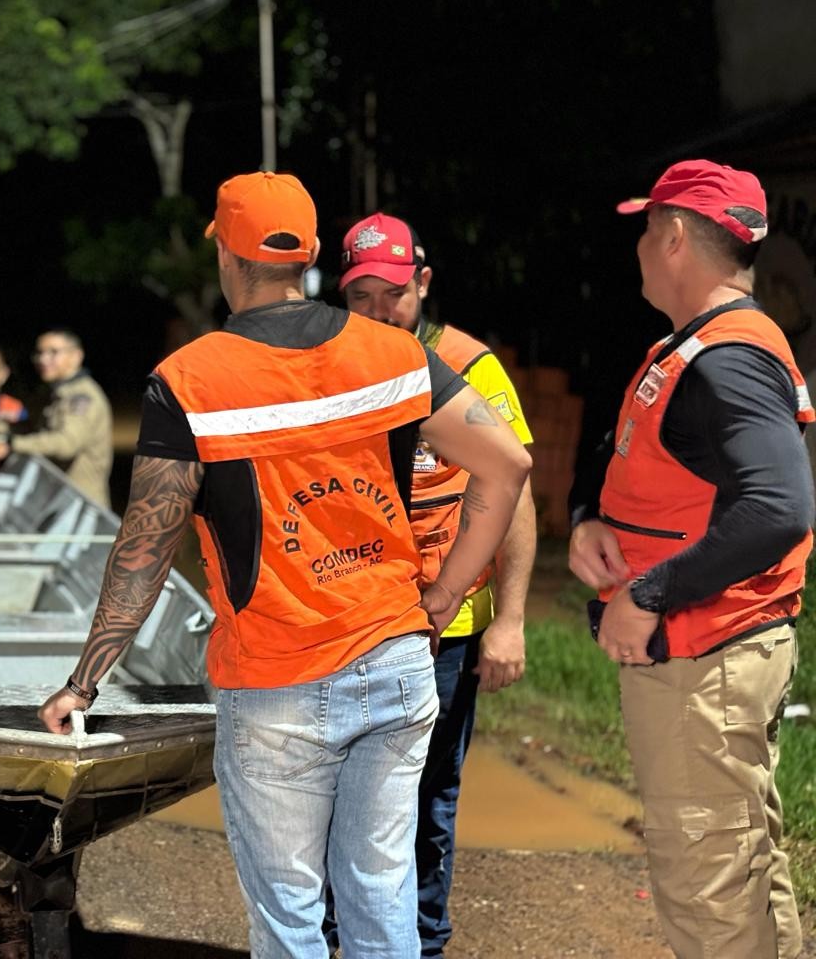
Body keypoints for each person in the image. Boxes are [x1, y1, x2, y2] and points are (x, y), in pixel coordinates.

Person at [37, 171, 531, 957]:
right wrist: (439, 597)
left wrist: (84, 681)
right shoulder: (394, 354)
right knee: (380, 891)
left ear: (230, 257)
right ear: (306, 257)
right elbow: (506, 467)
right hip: (398, 660)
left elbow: (144, 546)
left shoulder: (189, 381)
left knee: (291, 915)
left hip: (276, 684)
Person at [568, 159, 813, 959]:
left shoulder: (728, 358)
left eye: (646, 228)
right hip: (710, 664)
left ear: (674, 235)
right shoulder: (695, 348)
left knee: (709, 890)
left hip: (706, 665)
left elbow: (780, 506)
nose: (639, 245)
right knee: (740, 865)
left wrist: (651, 592)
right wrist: (587, 519)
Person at [338, 212, 536, 956]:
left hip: (442, 632)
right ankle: (342, 932)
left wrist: (509, 620)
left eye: (391, 293)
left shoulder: (468, 367)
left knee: (426, 800)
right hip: (351, 622)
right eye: (361, 297)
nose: (379, 312)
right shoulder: (332, 362)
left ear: (421, 282)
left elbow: (513, 493)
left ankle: (422, 940)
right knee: (338, 794)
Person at [3, 329, 112, 508]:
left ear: (76, 356)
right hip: (61, 498)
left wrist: (12, 444)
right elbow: (38, 428)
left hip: (81, 504)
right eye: (39, 353)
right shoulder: (57, 392)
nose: (43, 359)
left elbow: (66, 443)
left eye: (53, 352)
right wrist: (0, 428)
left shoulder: (82, 397)